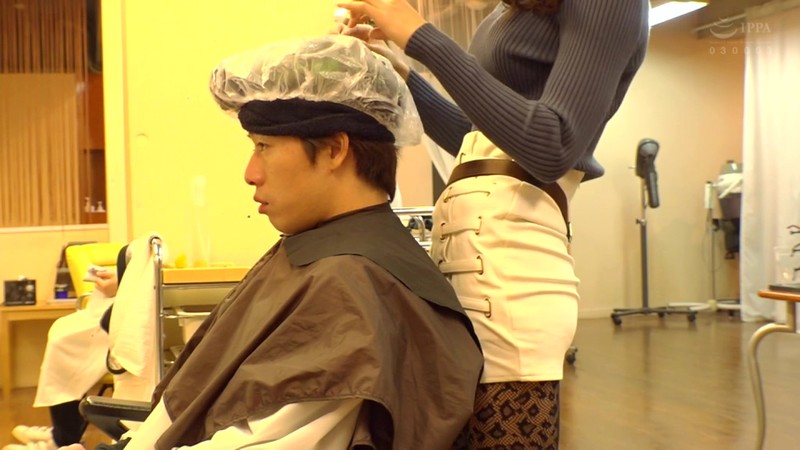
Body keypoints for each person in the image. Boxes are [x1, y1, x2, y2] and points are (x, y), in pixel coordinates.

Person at [67, 35, 482, 450]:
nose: (250, 173)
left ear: (335, 149)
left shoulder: (348, 282)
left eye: (263, 147)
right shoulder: (328, 253)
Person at [335, 0, 649, 447]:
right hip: (466, 269)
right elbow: (475, 136)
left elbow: (552, 145)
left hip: (510, 276)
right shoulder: (506, 13)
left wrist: (421, 37)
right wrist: (403, 76)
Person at [5, 249, 125, 450]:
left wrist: (123, 285)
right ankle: (62, 435)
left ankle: (63, 439)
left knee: (65, 345)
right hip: (112, 309)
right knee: (62, 332)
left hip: (120, 323)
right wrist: (121, 281)